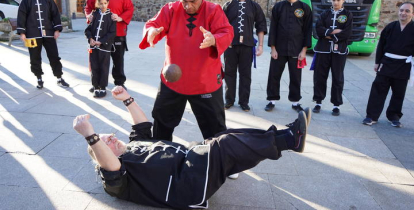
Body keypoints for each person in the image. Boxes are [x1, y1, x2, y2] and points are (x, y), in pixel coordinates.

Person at [73, 86, 311, 210]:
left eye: (110, 136)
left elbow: (141, 122)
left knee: (224, 137)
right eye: (105, 143)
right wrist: (91, 137)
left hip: (194, 160)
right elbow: (110, 168)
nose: (111, 140)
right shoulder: (116, 178)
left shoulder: (133, 145)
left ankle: (285, 135)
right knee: (224, 145)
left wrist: (127, 98)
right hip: (188, 185)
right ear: (99, 156)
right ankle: (290, 139)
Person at [139, 0, 234, 142]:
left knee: (215, 131)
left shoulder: (214, 10)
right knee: (161, 125)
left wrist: (214, 39)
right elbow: (153, 24)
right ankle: (162, 159)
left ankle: (218, 163)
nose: (188, 6)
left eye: (193, 1)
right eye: (184, 1)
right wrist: (151, 32)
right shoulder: (171, 9)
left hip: (205, 83)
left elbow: (227, 32)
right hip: (173, 81)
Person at [362, 2, 414, 128]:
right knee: (378, 90)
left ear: (412, 14)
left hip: (404, 64)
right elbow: (381, 45)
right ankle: (371, 116)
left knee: (398, 92)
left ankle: (394, 116)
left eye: (407, 11)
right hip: (387, 63)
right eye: (401, 10)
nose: (403, 13)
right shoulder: (391, 27)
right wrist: (377, 62)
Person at [265, 0, 312, 112]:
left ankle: (295, 102)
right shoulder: (278, 7)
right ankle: (271, 100)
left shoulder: (304, 8)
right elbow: (273, 28)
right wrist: (272, 48)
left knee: (295, 77)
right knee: (274, 75)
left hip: (296, 50)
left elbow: (307, 30)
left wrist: (304, 50)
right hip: (279, 49)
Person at [222, 0, 267, 112]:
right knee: (229, 74)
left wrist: (260, 46)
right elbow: (221, 27)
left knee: (245, 75)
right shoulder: (228, 5)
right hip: (230, 46)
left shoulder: (254, 6)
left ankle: (244, 102)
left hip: (247, 46)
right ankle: (229, 100)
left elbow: (261, 26)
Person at [16, 0, 70, 89]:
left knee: (54, 56)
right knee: (34, 58)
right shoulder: (25, 0)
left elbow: (55, 14)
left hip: (49, 33)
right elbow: (21, 17)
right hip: (32, 35)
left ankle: (59, 78)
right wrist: (22, 33)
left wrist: (56, 30)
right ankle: (39, 78)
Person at [85, 0, 134, 91]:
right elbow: (88, 8)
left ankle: (119, 83)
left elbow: (130, 8)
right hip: (99, 36)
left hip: (118, 33)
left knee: (118, 60)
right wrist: (88, 15)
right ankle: (96, 83)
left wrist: (120, 17)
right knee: (98, 61)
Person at [312, 0, 353, 116]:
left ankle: (336, 104)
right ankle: (318, 101)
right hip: (323, 49)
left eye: (338, 0)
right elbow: (318, 29)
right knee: (320, 76)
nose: (335, 2)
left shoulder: (348, 14)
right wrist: (333, 32)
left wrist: (330, 34)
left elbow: (347, 32)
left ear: (343, 0)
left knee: (337, 77)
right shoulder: (325, 14)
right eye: (334, 0)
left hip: (339, 51)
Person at [84, 0, 117, 98]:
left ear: (108, 3)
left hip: (105, 47)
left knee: (103, 67)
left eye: (105, 3)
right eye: (100, 3)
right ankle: (95, 86)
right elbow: (88, 30)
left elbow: (112, 33)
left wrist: (101, 41)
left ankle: (102, 87)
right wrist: (91, 39)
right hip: (93, 47)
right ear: (97, 4)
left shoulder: (111, 16)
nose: (103, 5)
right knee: (94, 67)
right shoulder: (94, 15)